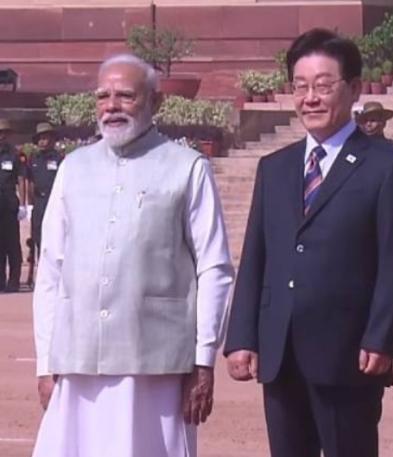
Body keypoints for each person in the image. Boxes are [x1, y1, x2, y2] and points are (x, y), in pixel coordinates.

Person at [223, 29, 393, 457]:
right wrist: (242, 336)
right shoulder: (274, 167)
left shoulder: (385, 165)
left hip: (348, 354)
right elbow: (256, 256)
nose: (310, 98)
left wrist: (382, 337)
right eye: (300, 87)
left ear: (353, 89)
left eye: (323, 86)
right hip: (280, 351)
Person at [30, 54, 234, 457]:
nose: (111, 106)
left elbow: (215, 267)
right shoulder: (74, 167)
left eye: (125, 95)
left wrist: (203, 360)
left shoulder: (187, 167)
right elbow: (51, 269)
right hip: (77, 360)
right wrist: (45, 362)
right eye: (102, 96)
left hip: (157, 366)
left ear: (155, 102)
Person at [26, 122, 62, 287]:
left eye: (46, 138)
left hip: (55, 202)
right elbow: (29, 182)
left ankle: (56, 277)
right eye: (40, 138)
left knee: (55, 239)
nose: (42, 142)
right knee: (37, 239)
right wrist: (29, 205)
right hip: (39, 203)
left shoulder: (60, 159)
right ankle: (39, 276)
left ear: (53, 139)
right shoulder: (33, 160)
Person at [0, 118, 25, 293]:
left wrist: (23, 204)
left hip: (9, 205)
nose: (1, 136)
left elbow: (21, 179)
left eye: (4, 133)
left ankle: (14, 281)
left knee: (12, 245)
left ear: (8, 135)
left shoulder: (14, 155)